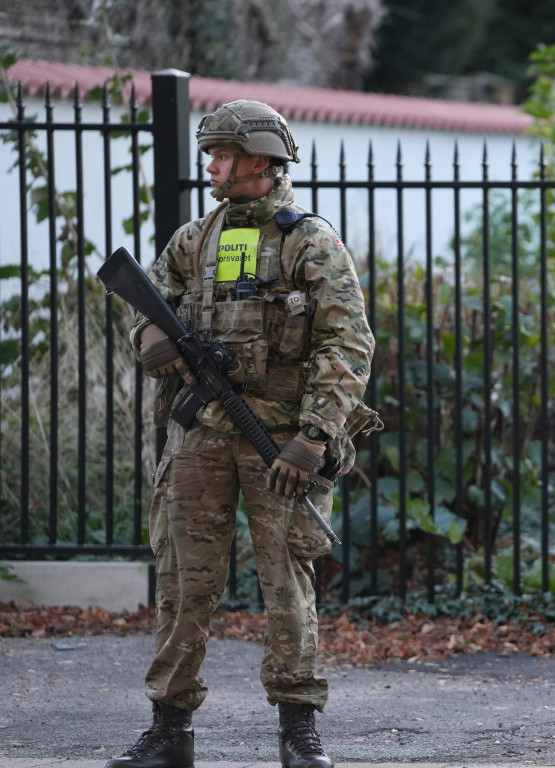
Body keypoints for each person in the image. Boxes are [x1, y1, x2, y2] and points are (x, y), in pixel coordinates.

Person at [107, 100, 376, 768]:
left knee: (286, 583)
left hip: (279, 442)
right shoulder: (195, 240)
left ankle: (298, 730)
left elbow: (349, 343)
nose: (211, 167)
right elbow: (146, 300)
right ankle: (169, 731)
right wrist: (151, 337)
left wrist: (314, 437)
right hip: (201, 435)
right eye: (211, 155)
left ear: (260, 160)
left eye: (222, 155)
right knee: (183, 582)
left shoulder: (308, 240)